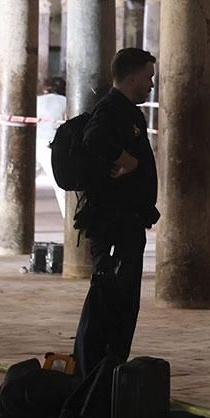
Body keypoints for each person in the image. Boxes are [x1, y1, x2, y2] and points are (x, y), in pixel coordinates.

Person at [70, 48, 159, 380]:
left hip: (127, 223)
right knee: (108, 300)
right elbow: (94, 139)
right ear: (133, 77)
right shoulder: (111, 109)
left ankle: (109, 372)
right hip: (113, 225)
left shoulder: (129, 111)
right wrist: (127, 161)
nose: (151, 84)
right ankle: (91, 375)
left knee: (122, 304)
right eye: (148, 77)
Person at [35, 76, 68, 217]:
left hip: (34, 143)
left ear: (46, 89)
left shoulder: (37, 100)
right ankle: (69, 220)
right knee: (60, 187)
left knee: (24, 182)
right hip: (51, 145)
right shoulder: (66, 102)